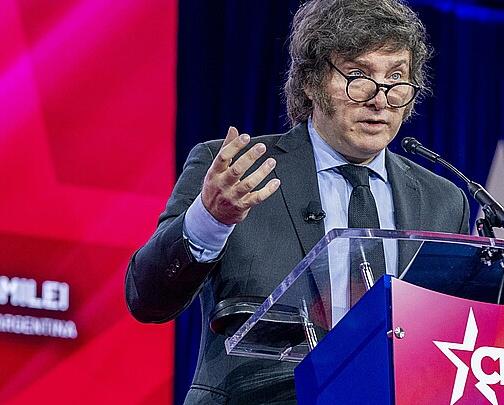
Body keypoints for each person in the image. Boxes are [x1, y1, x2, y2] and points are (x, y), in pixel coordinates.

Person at [125, 0, 470, 403]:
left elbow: (448, 340)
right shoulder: (236, 171)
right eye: (358, 75)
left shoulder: (445, 201)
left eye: (396, 77)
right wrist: (210, 219)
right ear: (310, 81)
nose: (380, 99)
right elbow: (146, 299)